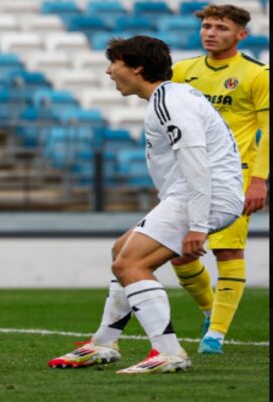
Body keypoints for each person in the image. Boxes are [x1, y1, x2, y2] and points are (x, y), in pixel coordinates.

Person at [48, 35, 243, 374]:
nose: (109, 72)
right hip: (194, 194)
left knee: (132, 266)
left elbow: (197, 165)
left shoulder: (171, 102)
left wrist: (198, 225)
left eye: (114, 64)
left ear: (136, 67)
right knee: (121, 252)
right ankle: (103, 343)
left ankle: (168, 351)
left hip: (203, 195)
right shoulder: (169, 97)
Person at [168, 4, 269, 355]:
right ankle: (211, 311)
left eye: (221, 28)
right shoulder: (182, 71)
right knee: (180, 254)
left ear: (241, 35)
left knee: (228, 250)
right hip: (189, 175)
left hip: (234, 177)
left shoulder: (258, 74)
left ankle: (216, 336)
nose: (210, 33)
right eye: (207, 26)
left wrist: (260, 180)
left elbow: (268, 130)